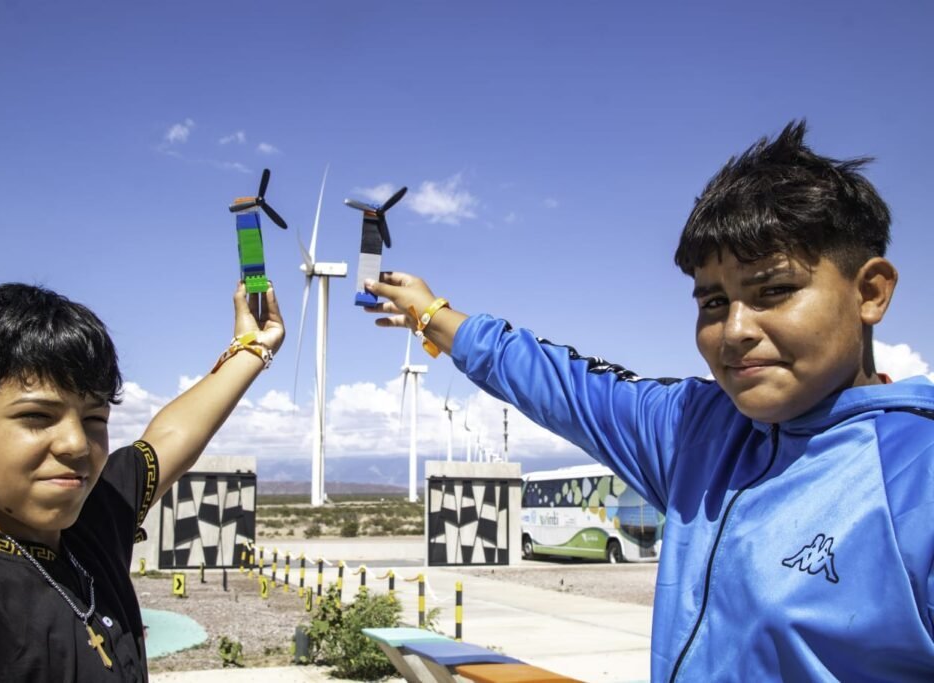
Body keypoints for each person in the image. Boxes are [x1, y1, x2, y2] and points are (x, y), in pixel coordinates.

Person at [363, 121, 934, 681]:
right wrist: (431, 315)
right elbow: (559, 383)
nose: (734, 330)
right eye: (713, 302)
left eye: (774, 291)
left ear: (870, 292)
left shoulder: (918, 476)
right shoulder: (696, 431)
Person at [0, 279, 284, 682]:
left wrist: (251, 348)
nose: (76, 444)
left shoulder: (88, 522)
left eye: (95, 420)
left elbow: (170, 438)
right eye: (37, 416)